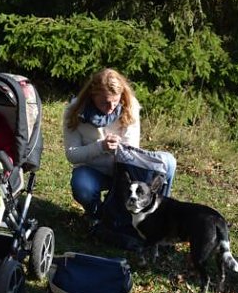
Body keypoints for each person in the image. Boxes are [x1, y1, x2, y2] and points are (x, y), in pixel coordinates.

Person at [62, 68, 176, 227]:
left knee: (169, 161)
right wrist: (100, 146)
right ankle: (98, 216)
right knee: (82, 185)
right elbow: (72, 154)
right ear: (92, 95)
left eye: (115, 102)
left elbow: (132, 149)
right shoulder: (73, 112)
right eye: (104, 102)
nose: (110, 108)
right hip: (94, 170)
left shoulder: (130, 106)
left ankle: (158, 215)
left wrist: (119, 149)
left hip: (125, 170)